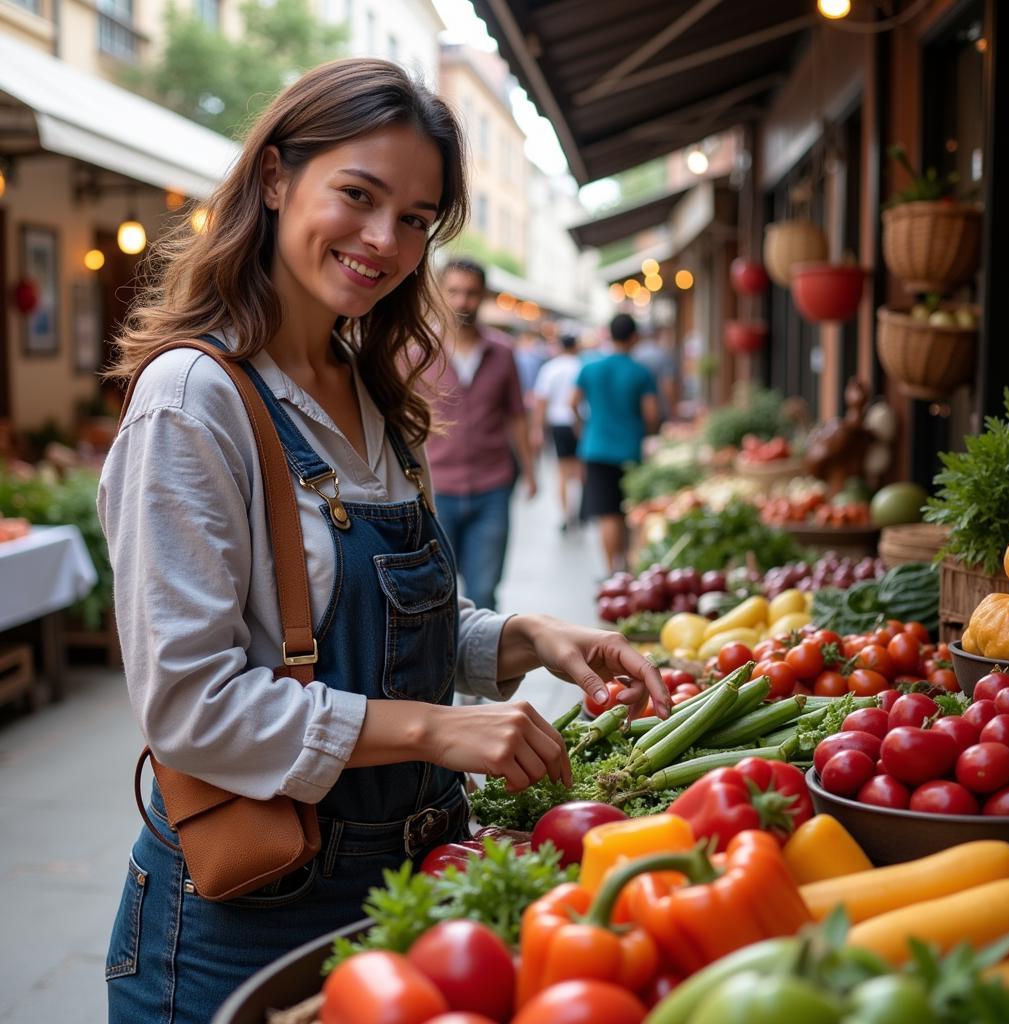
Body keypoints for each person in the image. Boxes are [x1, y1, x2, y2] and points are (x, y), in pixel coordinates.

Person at [98, 59, 669, 1024]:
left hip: (405, 891)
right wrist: (441, 727)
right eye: (358, 196)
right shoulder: (194, 402)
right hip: (247, 912)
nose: (383, 241)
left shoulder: (374, 396)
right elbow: (191, 708)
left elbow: (401, 620)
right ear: (275, 179)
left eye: (415, 218)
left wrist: (530, 640)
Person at [424, 259, 536, 611]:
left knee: (484, 591)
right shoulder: (418, 350)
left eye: (471, 293)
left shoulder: (502, 352)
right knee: (435, 593)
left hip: (493, 486)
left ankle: (478, 667)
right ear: (440, 293)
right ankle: (445, 666)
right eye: (454, 292)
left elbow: (516, 415)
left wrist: (531, 472)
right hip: (435, 488)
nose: (462, 302)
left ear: (484, 295)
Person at [573, 312, 660, 573]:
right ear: (634, 338)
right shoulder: (640, 372)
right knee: (629, 512)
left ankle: (612, 571)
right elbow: (652, 415)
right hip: (630, 450)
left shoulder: (590, 368)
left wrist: (585, 429)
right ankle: (629, 566)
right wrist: (645, 434)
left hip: (596, 448)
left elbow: (572, 403)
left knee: (607, 514)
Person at [532, 333, 582, 532]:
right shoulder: (581, 366)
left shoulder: (551, 368)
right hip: (580, 421)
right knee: (578, 471)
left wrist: (538, 429)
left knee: (562, 472)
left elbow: (541, 401)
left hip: (558, 423)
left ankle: (565, 514)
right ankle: (578, 511)